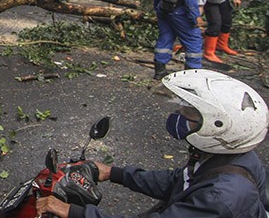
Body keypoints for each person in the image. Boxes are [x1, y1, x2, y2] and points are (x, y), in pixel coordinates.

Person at [36, 69, 269, 218]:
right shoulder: (229, 156)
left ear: (218, 126)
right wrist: (115, 173)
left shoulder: (221, 197)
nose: (179, 114)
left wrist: (73, 212)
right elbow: (179, 181)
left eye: (189, 113)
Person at [198, 0, 241, 64]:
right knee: (216, 23)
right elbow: (200, 5)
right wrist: (198, 18)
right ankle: (209, 52)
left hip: (223, 0)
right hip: (211, 3)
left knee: (227, 21)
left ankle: (222, 45)